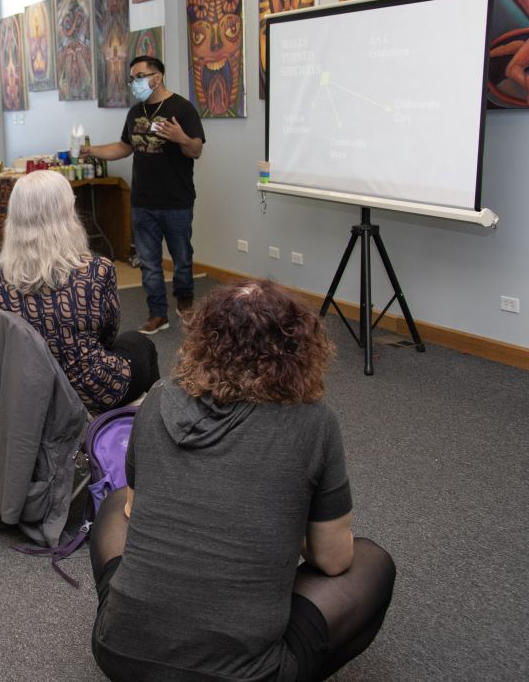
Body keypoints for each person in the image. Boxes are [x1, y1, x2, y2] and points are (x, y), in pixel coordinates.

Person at [88, 279, 396, 681]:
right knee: (372, 561)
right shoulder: (313, 422)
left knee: (114, 505)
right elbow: (332, 560)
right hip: (246, 675)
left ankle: (139, 628)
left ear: (202, 340)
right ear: (299, 350)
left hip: (118, 656)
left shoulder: (160, 397)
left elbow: (134, 507)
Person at [0, 170, 158, 414]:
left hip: (31, 389)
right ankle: (146, 430)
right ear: (67, 214)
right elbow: (107, 336)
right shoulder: (97, 270)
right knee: (141, 344)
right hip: (90, 390)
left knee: (131, 341)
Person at [82, 55, 205, 335]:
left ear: (157, 77)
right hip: (142, 202)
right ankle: (157, 314)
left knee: (182, 260)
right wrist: (92, 151)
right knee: (149, 264)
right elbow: (124, 147)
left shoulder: (182, 109)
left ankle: (184, 301)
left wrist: (180, 138)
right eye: (132, 77)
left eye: (138, 76)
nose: (134, 82)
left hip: (176, 202)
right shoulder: (135, 112)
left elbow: (195, 150)